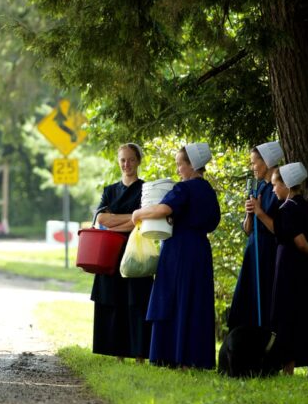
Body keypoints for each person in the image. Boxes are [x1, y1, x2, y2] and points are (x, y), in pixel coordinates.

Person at [130, 143, 221, 369]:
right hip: (200, 249)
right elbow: (213, 222)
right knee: (195, 301)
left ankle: (172, 356)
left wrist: (138, 214)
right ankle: (194, 358)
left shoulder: (185, 189)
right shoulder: (209, 191)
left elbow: (163, 210)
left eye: (181, 164)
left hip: (178, 249)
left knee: (174, 299)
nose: (178, 169)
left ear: (193, 166)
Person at [91, 143, 154, 363]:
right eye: (123, 160)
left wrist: (116, 222)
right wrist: (130, 218)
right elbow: (101, 219)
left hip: (136, 251)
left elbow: (143, 221)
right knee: (114, 300)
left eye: (131, 160)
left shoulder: (146, 190)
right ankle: (117, 354)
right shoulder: (110, 190)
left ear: (138, 161)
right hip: (110, 252)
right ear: (118, 162)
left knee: (136, 301)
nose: (127, 164)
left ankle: (139, 355)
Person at [269, 162, 308, 377]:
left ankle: (288, 368)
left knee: (288, 314)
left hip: (289, 267)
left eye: (276, 185)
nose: (274, 190)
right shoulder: (307, 206)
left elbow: (300, 242)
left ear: (288, 186)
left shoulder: (287, 209)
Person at [228, 141, 284, 329]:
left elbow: (280, 228)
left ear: (267, 162)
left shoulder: (278, 190)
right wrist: (250, 214)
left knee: (266, 297)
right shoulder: (258, 187)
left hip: (268, 251)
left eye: (254, 162)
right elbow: (247, 229)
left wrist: (260, 212)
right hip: (253, 250)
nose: (252, 168)